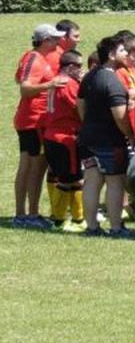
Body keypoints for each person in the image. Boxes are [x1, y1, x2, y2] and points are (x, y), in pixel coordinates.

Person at [77, 36, 135, 238]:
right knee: (115, 181)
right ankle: (116, 227)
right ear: (111, 55)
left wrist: (90, 124)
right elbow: (120, 115)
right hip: (110, 141)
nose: (127, 54)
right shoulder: (113, 82)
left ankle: (92, 226)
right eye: (122, 51)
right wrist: (129, 134)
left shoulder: (90, 76)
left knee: (92, 180)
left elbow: (81, 106)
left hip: (87, 138)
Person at [13, 24, 67, 228]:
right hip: (32, 121)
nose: (58, 42)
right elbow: (25, 89)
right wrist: (50, 85)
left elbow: (19, 77)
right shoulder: (35, 59)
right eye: (54, 39)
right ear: (45, 41)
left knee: (34, 168)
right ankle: (25, 214)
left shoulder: (37, 58)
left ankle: (29, 213)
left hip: (37, 121)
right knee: (31, 168)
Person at [42, 50, 84, 228]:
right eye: (79, 66)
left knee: (65, 177)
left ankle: (66, 217)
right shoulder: (69, 84)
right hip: (65, 138)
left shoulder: (56, 81)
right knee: (72, 179)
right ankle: (67, 219)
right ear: (71, 67)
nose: (82, 70)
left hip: (51, 135)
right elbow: (79, 107)